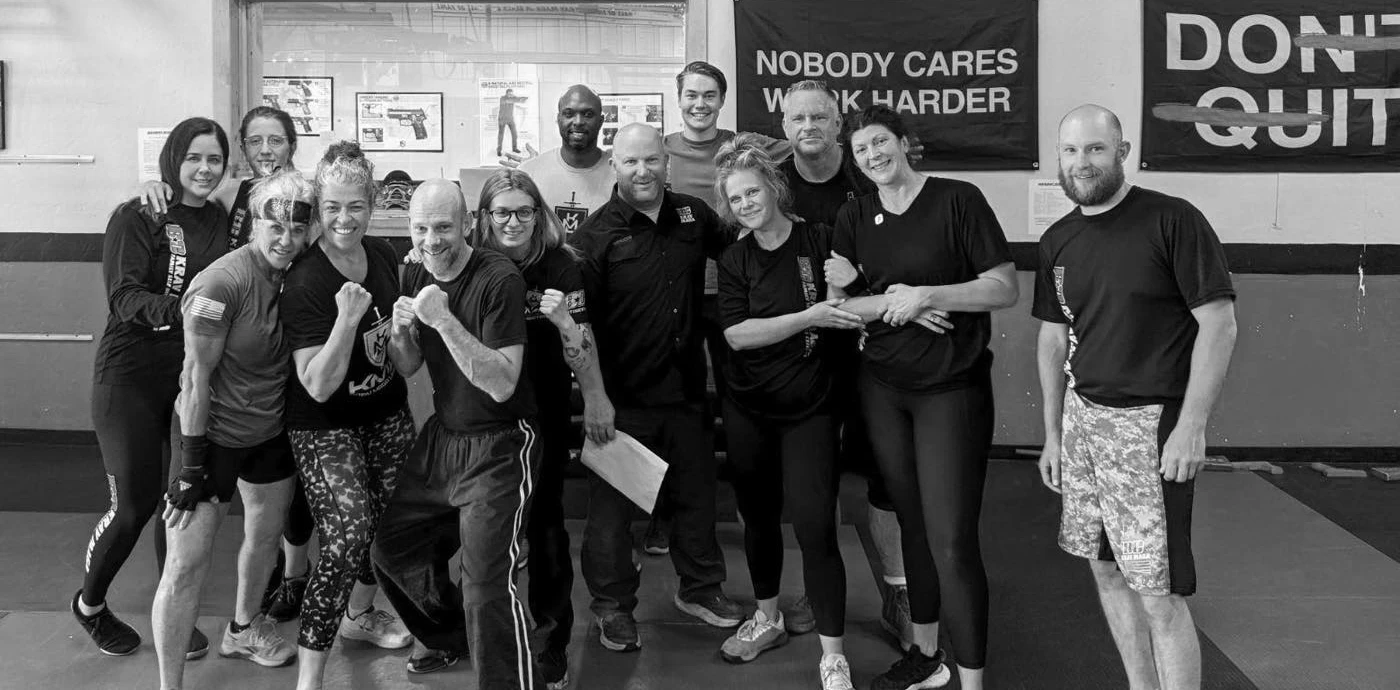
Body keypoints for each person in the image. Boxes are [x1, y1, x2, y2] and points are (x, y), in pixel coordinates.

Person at [1035, 105, 1237, 690]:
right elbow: (1053, 337)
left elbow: (1218, 324)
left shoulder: (1172, 220)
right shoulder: (1058, 238)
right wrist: (1052, 433)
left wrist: (1192, 424)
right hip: (1083, 424)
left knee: (1158, 592)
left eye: (1096, 149)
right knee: (1104, 569)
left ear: (1122, 153)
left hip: (1150, 424)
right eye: (1071, 151)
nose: (1082, 162)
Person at [827, 105, 1018, 690]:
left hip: (950, 391)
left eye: (880, 142)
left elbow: (1003, 287)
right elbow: (839, 306)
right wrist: (898, 303)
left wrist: (928, 293)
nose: (872, 156)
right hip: (884, 388)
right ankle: (928, 658)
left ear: (905, 143)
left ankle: (973, 679)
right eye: (860, 150)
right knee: (910, 524)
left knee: (951, 539)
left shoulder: (958, 200)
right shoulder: (855, 213)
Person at [571, 123, 742, 652]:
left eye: (651, 160)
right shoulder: (594, 236)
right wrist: (596, 397)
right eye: (630, 162)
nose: (642, 171)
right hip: (622, 400)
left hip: (688, 388)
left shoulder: (693, 214)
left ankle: (701, 589)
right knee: (612, 515)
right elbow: (579, 329)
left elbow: (740, 250)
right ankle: (614, 608)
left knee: (695, 496)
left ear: (666, 162)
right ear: (614, 167)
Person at [141, 106, 318, 615]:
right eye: (256, 141)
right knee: (223, 505)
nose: (266, 150)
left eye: (277, 140)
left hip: (286, 358)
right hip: (231, 347)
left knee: (285, 499)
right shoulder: (227, 193)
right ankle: (244, 600)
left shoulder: (307, 193)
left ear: (291, 146)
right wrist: (156, 188)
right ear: (243, 148)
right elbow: (183, 198)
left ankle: (291, 579)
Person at [372, 179, 541, 690]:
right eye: (420, 228)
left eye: (443, 227)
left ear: (468, 224)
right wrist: (402, 333)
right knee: (391, 547)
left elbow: (501, 381)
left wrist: (442, 319)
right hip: (444, 438)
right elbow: (409, 365)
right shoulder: (412, 269)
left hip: (501, 440)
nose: (431, 239)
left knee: (486, 586)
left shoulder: (498, 278)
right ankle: (448, 638)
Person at [75, 117, 232, 660]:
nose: (205, 169)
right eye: (194, 158)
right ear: (172, 160)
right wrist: (185, 310)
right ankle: (90, 605)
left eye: (214, 159)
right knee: (134, 506)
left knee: (178, 501)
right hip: (129, 379)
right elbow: (123, 298)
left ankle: (174, 611)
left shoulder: (219, 219)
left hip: (189, 378)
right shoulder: (139, 213)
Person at [712, 135, 862, 689]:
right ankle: (767, 616)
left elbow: (847, 305)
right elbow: (737, 334)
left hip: (811, 409)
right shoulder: (733, 259)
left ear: (773, 188)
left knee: (817, 524)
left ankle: (833, 652)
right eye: (737, 198)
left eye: (754, 191)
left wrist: (842, 289)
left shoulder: (818, 239)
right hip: (749, 407)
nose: (747, 203)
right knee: (757, 518)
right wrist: (809, 316)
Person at [468, 168, 617, 690]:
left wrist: (595, 395)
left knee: (546, 526)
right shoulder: (466, 260)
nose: (513, 222)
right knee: (476, 531)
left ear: (540, 213)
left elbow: (584, 343)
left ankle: (551, 644)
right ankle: (461, 636)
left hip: (545, 411)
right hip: (481, 417)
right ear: (484, 218)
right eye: (502, 212)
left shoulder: (560, 264)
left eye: (524, 211)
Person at [778, 79, 912, 650]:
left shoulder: (867, 172)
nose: (808, 128)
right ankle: (818, 587)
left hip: (874, 345)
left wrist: (873, 296)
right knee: (816, 474)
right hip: (803, 350)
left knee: (885, 472)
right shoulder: (773, 181)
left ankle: (899, 592)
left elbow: (906, 248)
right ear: (784, 125)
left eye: (819, 118)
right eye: (797, 118)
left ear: (838, 123)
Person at [280, 141, 415, 690]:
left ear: (374, 201)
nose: (343, 218)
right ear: (318, 207)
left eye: (355, 205)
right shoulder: (308, 279)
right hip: (323, 425)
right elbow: (316, 385)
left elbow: (404, 364)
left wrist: (406, 329)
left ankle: (360, 616)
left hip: (385, 413)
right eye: (332, 206)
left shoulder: (384, 256)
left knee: (389, 524)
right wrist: (347, 320)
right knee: (344, 535)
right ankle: (310, 674)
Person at [645, 59, 790, 565]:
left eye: (710, 95)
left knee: (739, 402)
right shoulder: (658, 153)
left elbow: (801, 148)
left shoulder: (742, 145)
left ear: (721, 101)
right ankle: (664, 514)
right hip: (676, 298)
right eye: (692, 95)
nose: (700, 104)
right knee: (677, 407)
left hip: (736, 297)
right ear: (679, 98)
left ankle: (753, 510)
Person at [517, 85, 616, 233]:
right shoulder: (529, 174)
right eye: (569, 114)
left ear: (601, 121)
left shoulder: (618, 174)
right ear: (558, 119)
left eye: (588, 114)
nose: (578, 122)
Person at [498, 88, 527, 157]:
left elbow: (520, 100)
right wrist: (518, 99)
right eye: (509, 94)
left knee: (515, 134)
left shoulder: (513, 97)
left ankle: (514, 148)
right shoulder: (502, 98)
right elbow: (509, 101)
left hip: (510, 119)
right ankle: (499, 150)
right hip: (502, 119)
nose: (511, 95)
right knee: (501, 136)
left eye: (512, 94)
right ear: (506, 93)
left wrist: (523, 99)